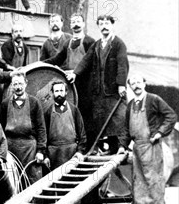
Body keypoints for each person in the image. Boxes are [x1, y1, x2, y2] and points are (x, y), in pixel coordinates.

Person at [68, 14, 129, 152]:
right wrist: (74, 73)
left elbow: (122, 65)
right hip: (98, 90)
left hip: (112, 90)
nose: (104, 26)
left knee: (116, 118)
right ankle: (100, 147)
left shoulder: (119, 44)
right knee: (100, 120)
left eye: (107, 23)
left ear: (112, 25)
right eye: (101, 24)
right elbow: (85, 60)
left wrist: (121, 84)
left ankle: (117, 147)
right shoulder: (96, 45)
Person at [122, 74, 177, 204]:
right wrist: (122, 146)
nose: (136, 85)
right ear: (130, 87)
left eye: (139, 82)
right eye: (133, 83)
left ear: (144, 83)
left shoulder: (154, 99)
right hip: (137, 147)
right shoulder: (131, 105)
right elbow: (127, 129)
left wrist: (159, 133)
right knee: (138, 181)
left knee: (154, 180)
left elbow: (171, 116)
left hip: (152, 145)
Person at [43, 13, 96, 141]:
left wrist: (77, 72)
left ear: (83, 24)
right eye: (73, 22)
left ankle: (90, 144)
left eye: (78, 21)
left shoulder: (90, 41)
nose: (76, 24)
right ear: (70, 25)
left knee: (86, 113)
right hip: (72, 84)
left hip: (86, 83)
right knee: (74, 111)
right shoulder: (68, 43)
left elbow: (90, 62)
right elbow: (57, 59)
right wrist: (40, 64)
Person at [0, 72, 47, 184]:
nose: (18, 87)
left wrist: (41, 151)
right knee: (13, 182)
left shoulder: (35, 102)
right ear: (11, 85)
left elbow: (41, 129)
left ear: (26, 83)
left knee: (32, 181)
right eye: (15, 84)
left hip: (30, 148)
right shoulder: (5, 104)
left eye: (20, 83)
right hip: (11, 149)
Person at [43, 81, 87, 170]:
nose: (59, 94)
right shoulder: (48, 112)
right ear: (52, 93)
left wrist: (79, 151)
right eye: (57, 91)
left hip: (71, 153)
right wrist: (45, 156)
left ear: (66, 92)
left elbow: (82, 134)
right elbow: (43, 136)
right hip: (54, 154)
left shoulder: (74, 109)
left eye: (61, 91)